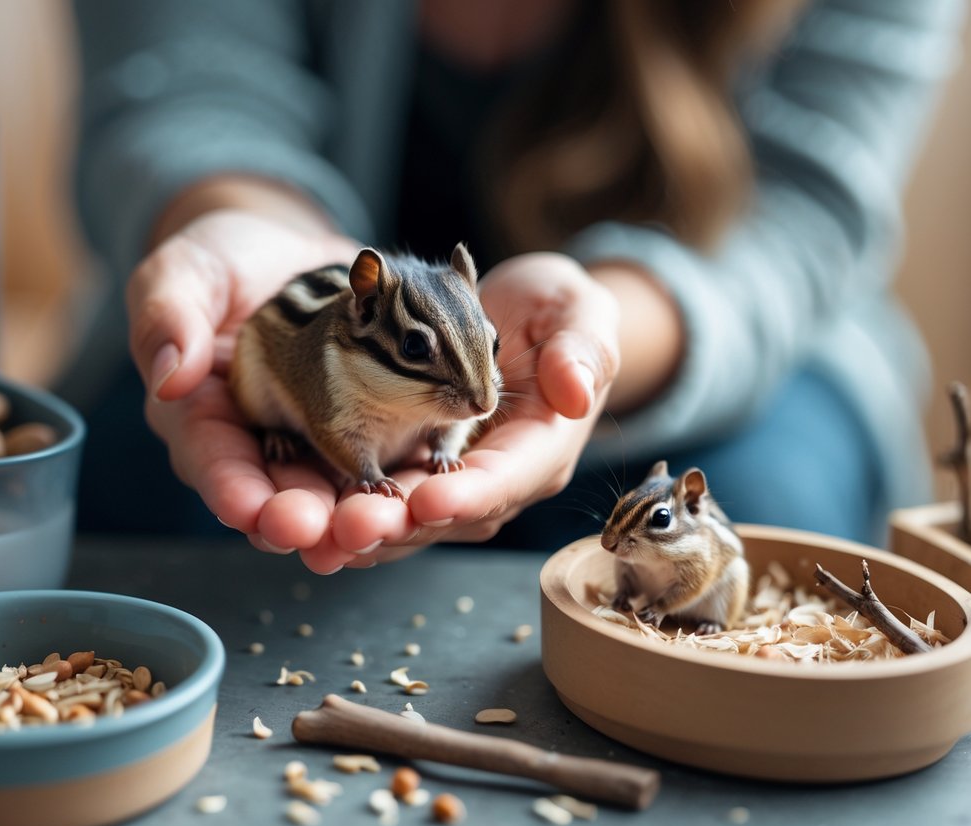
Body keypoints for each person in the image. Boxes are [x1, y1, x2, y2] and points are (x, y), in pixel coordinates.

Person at [64, 0, 963, 573]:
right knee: (165, 502)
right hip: (302, 289)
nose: (483, 397)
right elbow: (184, 78)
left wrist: (605, 332)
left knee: (755, 521)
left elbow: (804, 210)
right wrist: (232, 213)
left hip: (724, 331)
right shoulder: (338, 349)